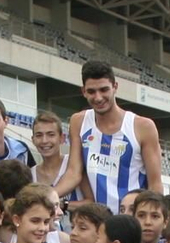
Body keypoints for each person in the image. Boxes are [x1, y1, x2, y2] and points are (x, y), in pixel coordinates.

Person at [52, 61, 163, 211]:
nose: (98, 98)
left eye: (104, 90)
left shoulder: (142, 126)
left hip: (129, 219)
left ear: (115, 87)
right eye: (91, 91)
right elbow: (74, 172)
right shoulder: (78, 121)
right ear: (83, 91)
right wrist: (48, 196)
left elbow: (155, 184)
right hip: (94, 219)